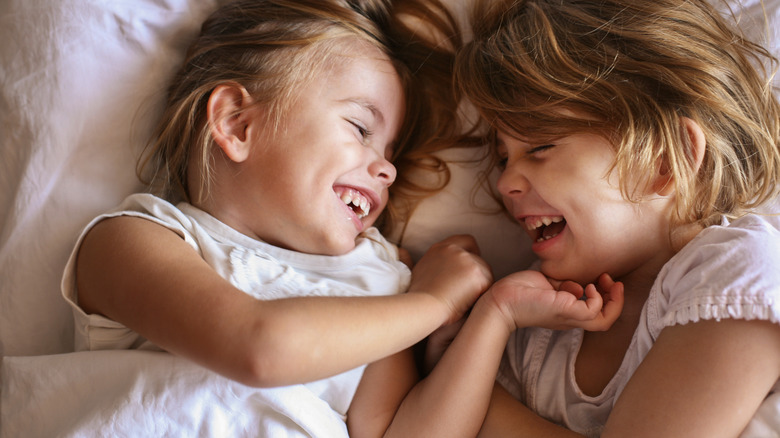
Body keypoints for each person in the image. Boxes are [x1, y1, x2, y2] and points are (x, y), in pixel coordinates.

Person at [60, 0, 622, 436]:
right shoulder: (133, 241)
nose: (387, 171)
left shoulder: (380, 281)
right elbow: (259, 348)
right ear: (236, 124)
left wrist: (493, 316)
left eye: (392, 152)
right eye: (359, 128)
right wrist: (430, 305)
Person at [450, 0, 780, 436]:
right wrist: (476, 324)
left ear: (665, 160)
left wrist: (471, 394)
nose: (505, 182)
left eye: (540, 146)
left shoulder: (738, 271)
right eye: (502, 157)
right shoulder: (534, 314)